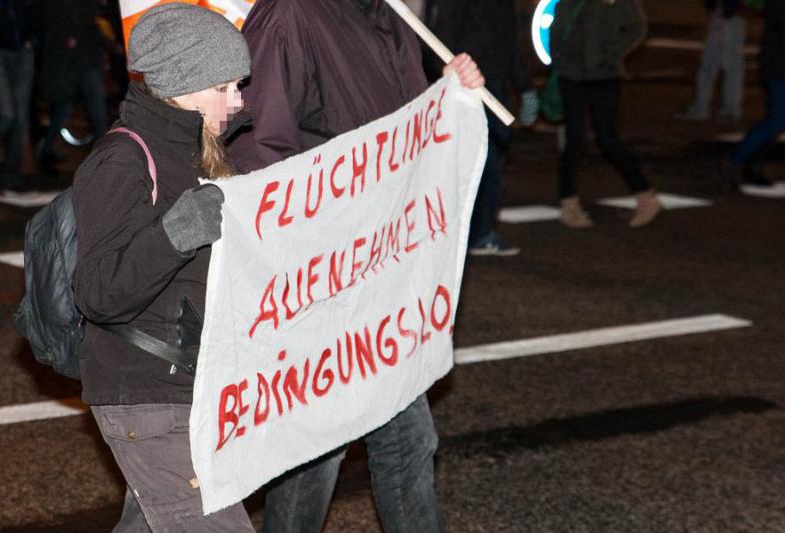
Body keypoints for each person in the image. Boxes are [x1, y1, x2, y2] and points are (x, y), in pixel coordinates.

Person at [226, 0, 484, 531]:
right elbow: (257, 150)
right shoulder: (291, 15)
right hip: (322, 271)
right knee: (324, 450)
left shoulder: (390, 16)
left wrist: (448, 92)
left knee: (400, 443)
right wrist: (292, 260)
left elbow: (404, 127)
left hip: (381, 267)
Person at [72, 4, 254, 531]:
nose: (239, 100)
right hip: (147, 394)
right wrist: (175, 235)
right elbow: (99, 291)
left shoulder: (202, 153)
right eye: (226, 87)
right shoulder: (121, 160)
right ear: (182, 84)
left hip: (190, 387)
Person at [427, 0, 537, 256]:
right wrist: (447, 77)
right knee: (477, 164)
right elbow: (442, 40)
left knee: (491, 164)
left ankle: (478, 232)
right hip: (470, 88)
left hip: (492, 87)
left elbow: (509, 43)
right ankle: (471, 233)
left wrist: (524, 85)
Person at [550, 0, 662, 228]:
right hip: (570, 75)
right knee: (574, 140)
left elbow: (637, 27)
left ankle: (646, 197)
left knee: (608, 140)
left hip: (604, 75)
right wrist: (560, 58)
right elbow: (558, 26)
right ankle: (568, 204)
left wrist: (609, 54)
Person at [36, 0, 109, 175]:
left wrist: (109, 45)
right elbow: (49, 22)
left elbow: (89, 24)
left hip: (86, 59)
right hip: (68, 62)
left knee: (98, 113)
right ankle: (45, 151)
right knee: (64, 110)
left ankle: (103, 164)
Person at [723, 0, 784, 190]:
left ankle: (749, 165)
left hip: (777, 62)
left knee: (777, 121)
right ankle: (736, 163)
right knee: (777, 121)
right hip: (779, 66)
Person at [0, 0, 38, 193]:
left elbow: (38, 12)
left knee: (21, 119)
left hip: (23, 54)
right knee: (6, 113)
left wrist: (33, 40)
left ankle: (11, 175)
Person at [677, 0, 745, 122]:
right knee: (729, 67)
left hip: (725, 17)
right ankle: (729, 108)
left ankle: (706, 108)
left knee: (713, 66)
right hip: (729, 16)